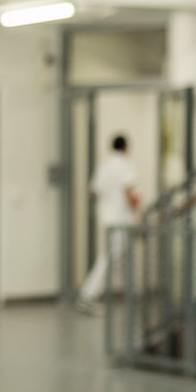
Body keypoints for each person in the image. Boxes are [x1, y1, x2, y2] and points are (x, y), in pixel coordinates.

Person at [77, 133, 142, 313]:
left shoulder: (104, 165)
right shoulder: (124, 165)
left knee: (125, 256)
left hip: (107, 218)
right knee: (110, 258)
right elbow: (128, 192)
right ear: (126, 147)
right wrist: (137, 212)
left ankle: (134, 293)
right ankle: (87, 295)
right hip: (121, 219)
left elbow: (93, 191)